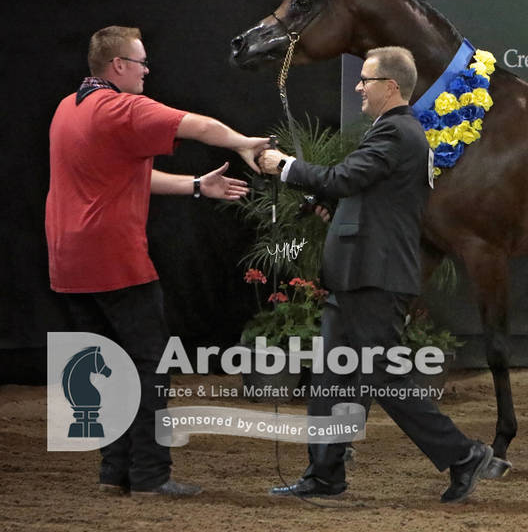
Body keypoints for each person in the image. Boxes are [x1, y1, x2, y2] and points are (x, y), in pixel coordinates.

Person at [258, 45, 492, 503]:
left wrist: (284, 166)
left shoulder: (397, 134)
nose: (359, 87)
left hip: (375, 280)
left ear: (390, 86)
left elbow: (345, 178)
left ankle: (463, 454)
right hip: (358, 278)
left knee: (380, 375)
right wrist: (335, 212)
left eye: (366, 80)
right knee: (331, 376)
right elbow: (366, 197)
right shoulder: (394, 134)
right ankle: (325, 474)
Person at [45, 26, 269, 498]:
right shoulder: (121, 108)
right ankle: (150, 475)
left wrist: (194, 185)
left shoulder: (69, 108)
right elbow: (197, 125)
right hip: (114, 259)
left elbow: (128, 178)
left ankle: (114, 473)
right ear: (118, 66)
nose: (148, 70)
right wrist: (241, 142)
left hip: (68, 262)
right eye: (141, 62)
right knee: (149, 365)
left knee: (102, 364)